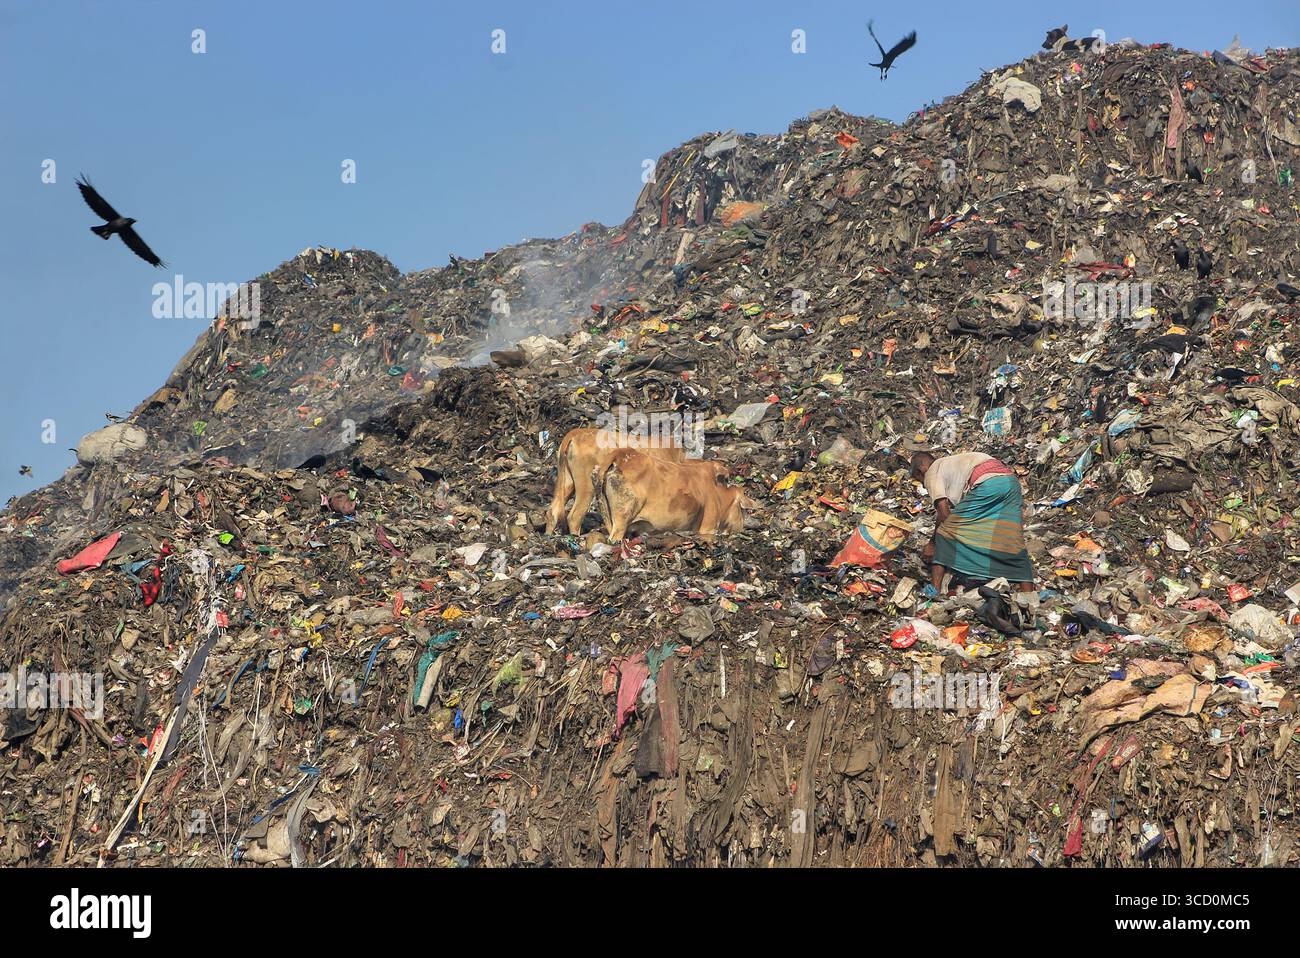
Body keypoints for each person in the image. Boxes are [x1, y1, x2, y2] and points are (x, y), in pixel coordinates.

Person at [910, 450, 1034, 594]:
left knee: (944, 534)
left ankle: (935, 589)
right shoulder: (950, 464)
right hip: (1011, 483)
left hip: (988, 484)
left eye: (920, 480)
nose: (924, 486)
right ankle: (1029, 597)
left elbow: (944, 514)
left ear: (921, 471)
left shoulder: (932, 472)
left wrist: (932, 544)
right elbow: (946, 515)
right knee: (1010, 539)